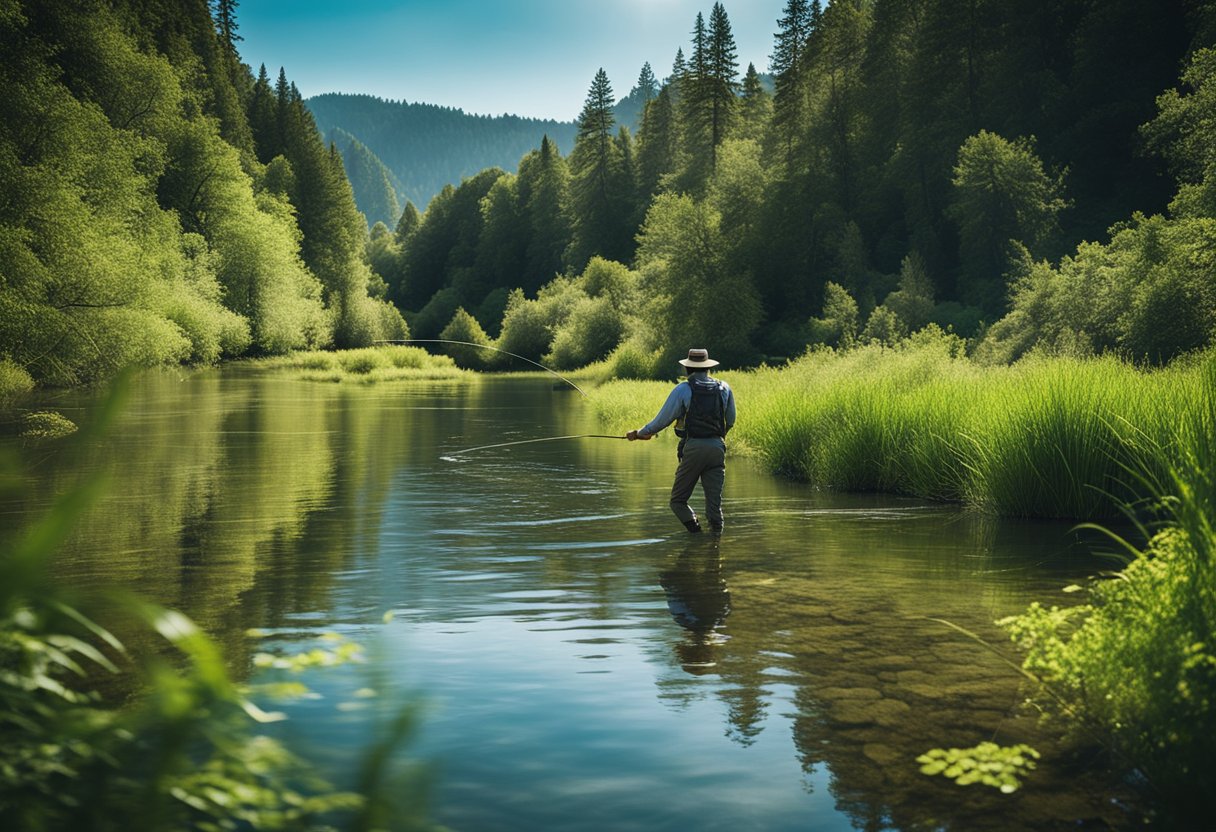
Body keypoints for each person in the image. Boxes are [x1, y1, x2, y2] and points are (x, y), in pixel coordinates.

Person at [627, 348, 736, 533]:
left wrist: (638, 433)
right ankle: (715, 547)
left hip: (693, 448)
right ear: (707, 367)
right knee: (714, 507)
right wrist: (717, 439)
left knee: (677, 501)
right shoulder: (724, 388)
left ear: (688, 369)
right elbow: (731, 420)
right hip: (718, 448)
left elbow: (660, 421)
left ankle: (696, 534)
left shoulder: (683, 389)